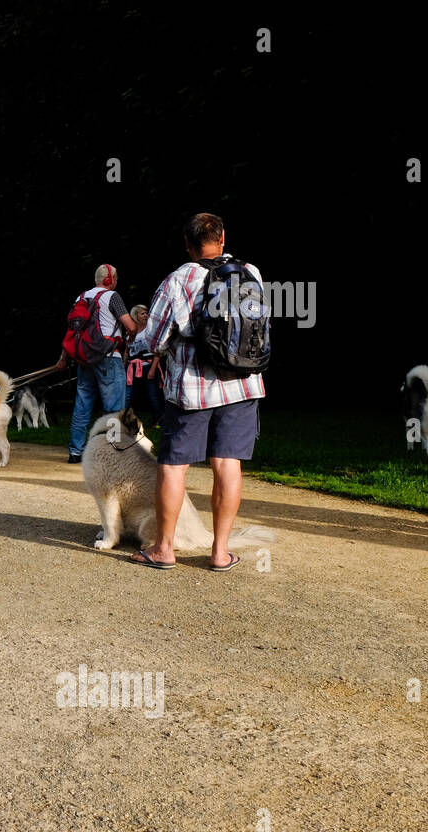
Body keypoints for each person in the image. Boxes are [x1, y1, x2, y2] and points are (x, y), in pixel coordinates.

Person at [132, 213, 265, 572]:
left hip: (191, 386)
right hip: (242, 383)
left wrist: (140, 344)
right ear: (222, 239)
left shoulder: (179, 278)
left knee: (174, 466)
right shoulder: (250, 272)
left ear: (188, 245)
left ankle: (164, 549)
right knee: (227, 464)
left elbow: (157, 338)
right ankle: (220, 553)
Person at [56, 264, 139, 463]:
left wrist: (64, 358)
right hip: (108, 358)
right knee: (113, 409)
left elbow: (72, 332)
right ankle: (112, 453)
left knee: (82, 407)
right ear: (110, 280)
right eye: (116, 278)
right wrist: (133, 332)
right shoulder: (113, 297)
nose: (117, 281)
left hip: (84, 359)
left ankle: (76, 452)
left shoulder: (81, 297)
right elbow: (130, 326)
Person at [124, 304, 163, 422]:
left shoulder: (150, 330)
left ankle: (158, 420)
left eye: (146, 313)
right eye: (142, 313)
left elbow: (158, 350)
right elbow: (127, 350)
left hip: (148, 365)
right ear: (135, 316)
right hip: (133, 367)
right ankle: (126, 420)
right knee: (128, 396)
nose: (146, 315)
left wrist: (153, 369)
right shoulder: (131, 330)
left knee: (153, 396)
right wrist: (123, 363)